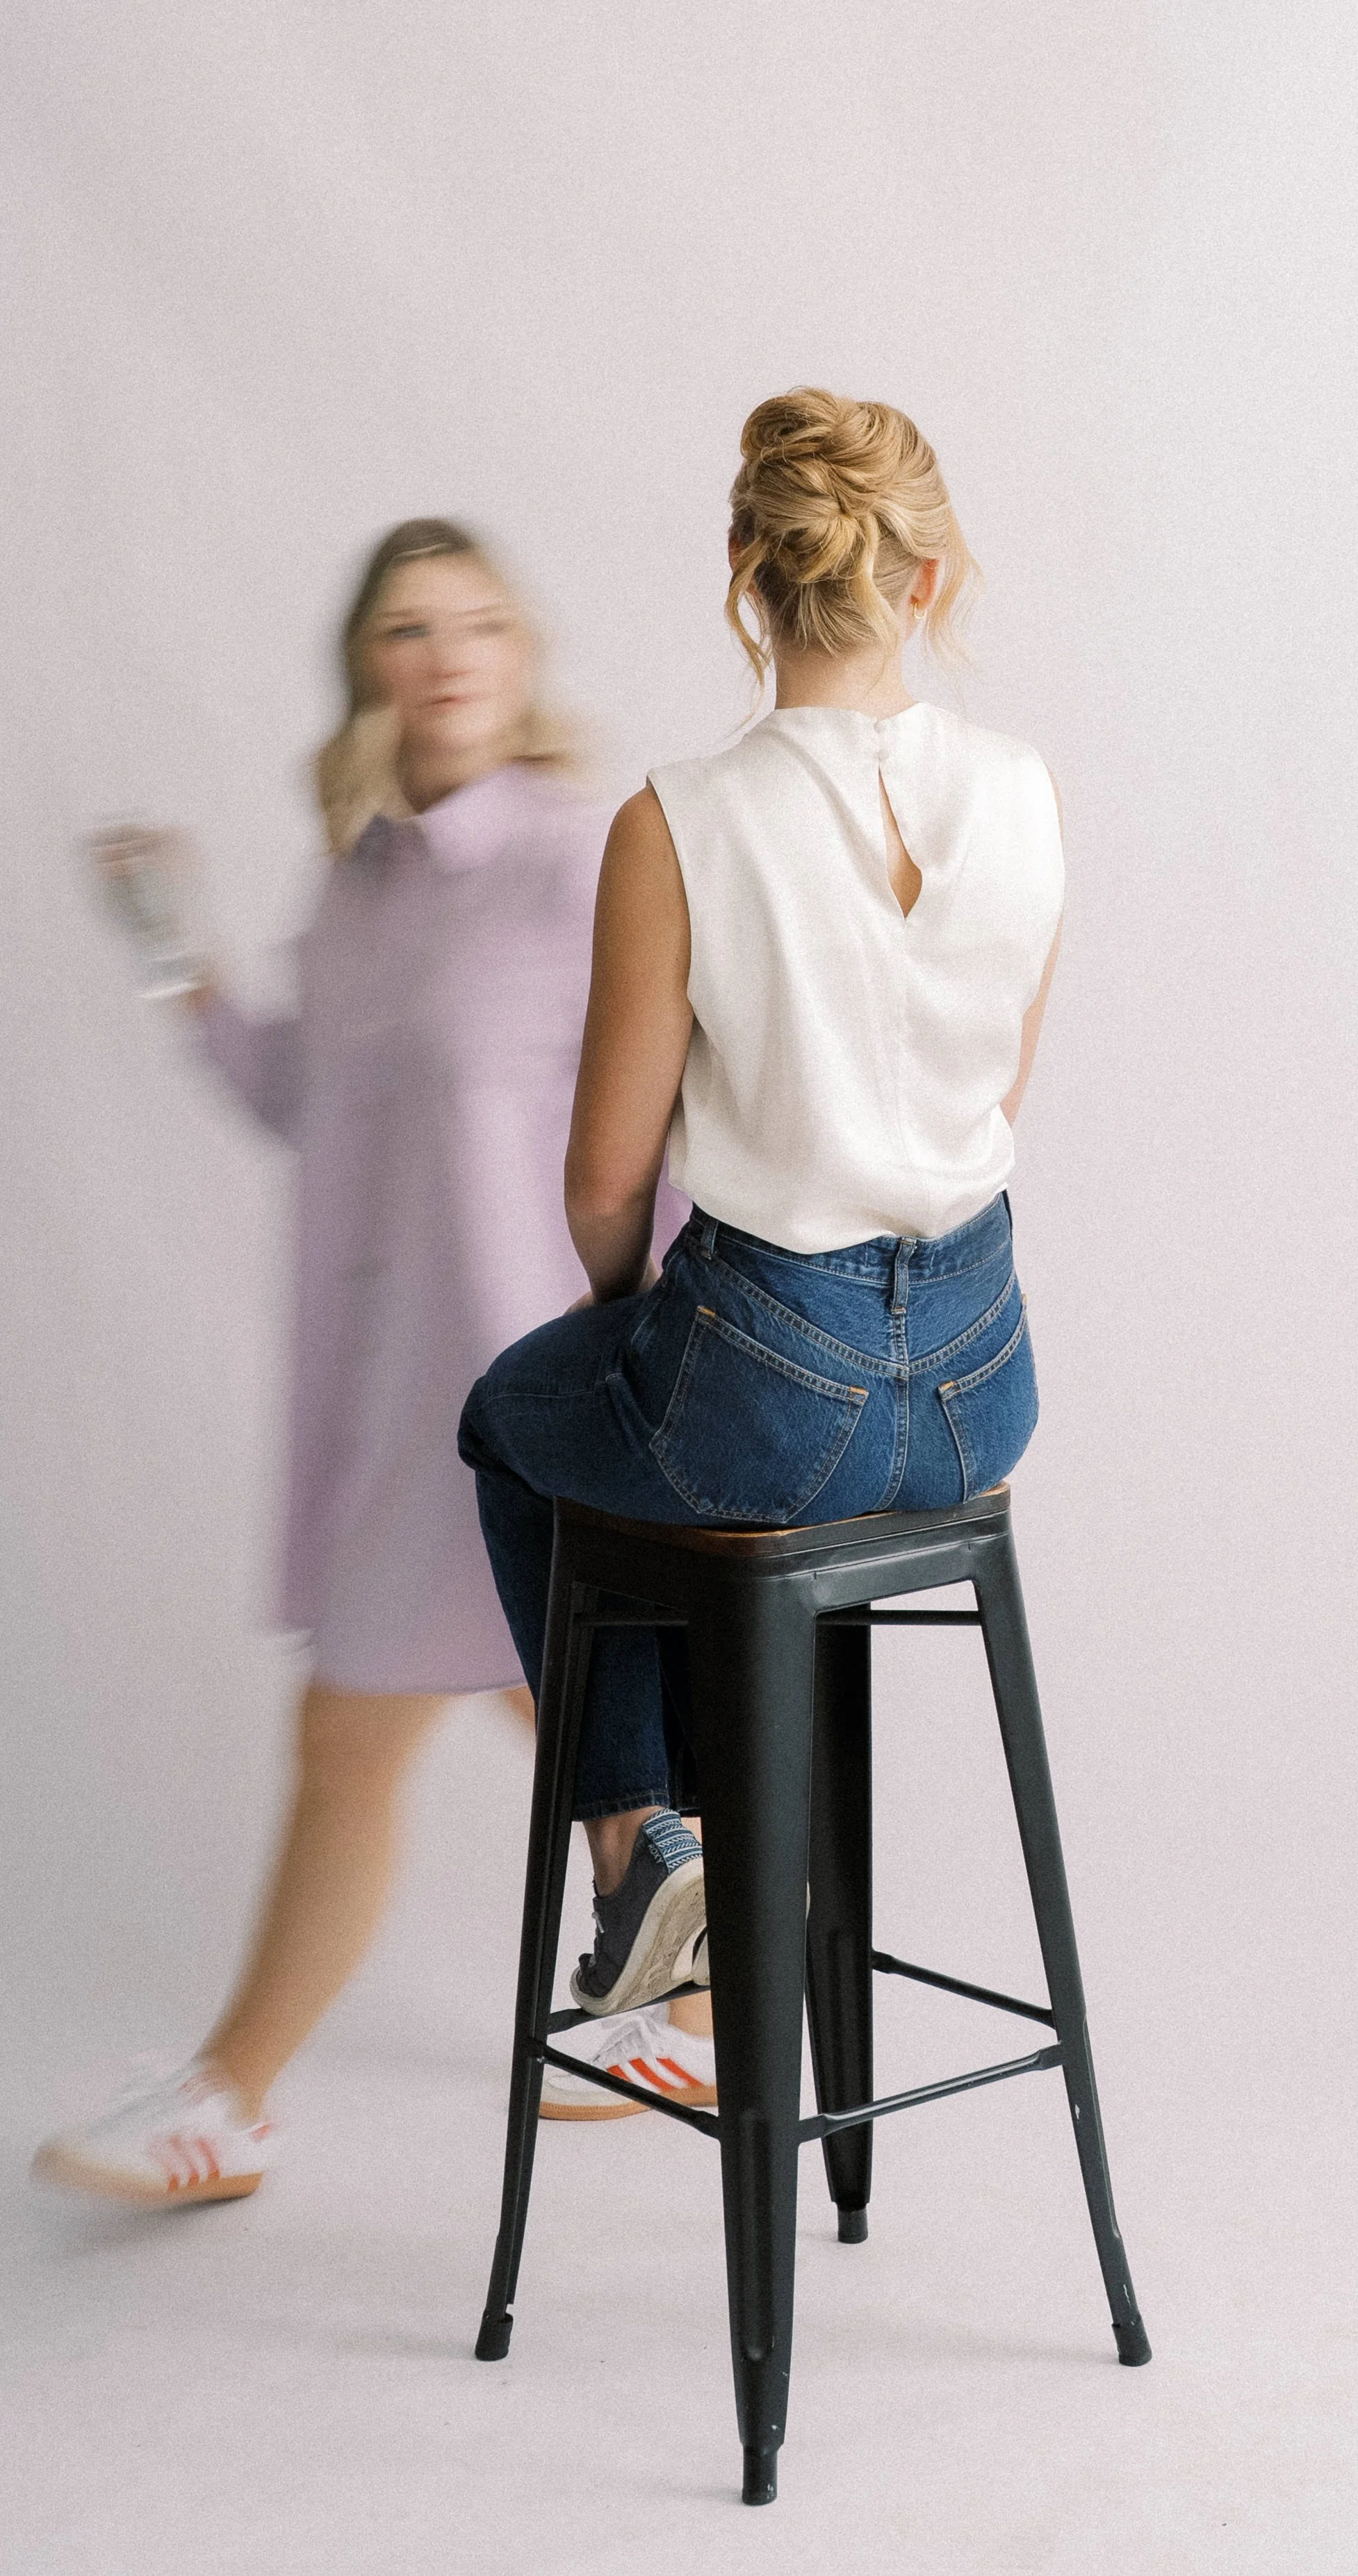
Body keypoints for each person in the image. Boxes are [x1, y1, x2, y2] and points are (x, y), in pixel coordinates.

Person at [36, 520, 712, 2207]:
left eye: (482, 620)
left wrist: (670, 1345)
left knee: (363, 1729)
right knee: (529, 1695)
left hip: (528, 1382)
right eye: (411, 627)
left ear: (523, 652)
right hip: (394, 1391)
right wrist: (174, 954)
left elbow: (685, 1100)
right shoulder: (358, 879)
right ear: (370, 668)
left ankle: (230, 2100)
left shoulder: (583, 857)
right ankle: (694, 1988)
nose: (451, 652)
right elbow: (298, 1101)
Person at [458, 388, 1063, 2019]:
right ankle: (739, 1883)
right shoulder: (1022, 794)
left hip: (764, 1397)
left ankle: (646, 1844)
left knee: (520, 1422)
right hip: (977, 1393)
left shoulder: (677, 820)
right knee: (664, 1425)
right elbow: (987, 1102)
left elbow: (603, 1178)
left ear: (743, 569)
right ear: (922, 577)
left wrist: (617, 1312)